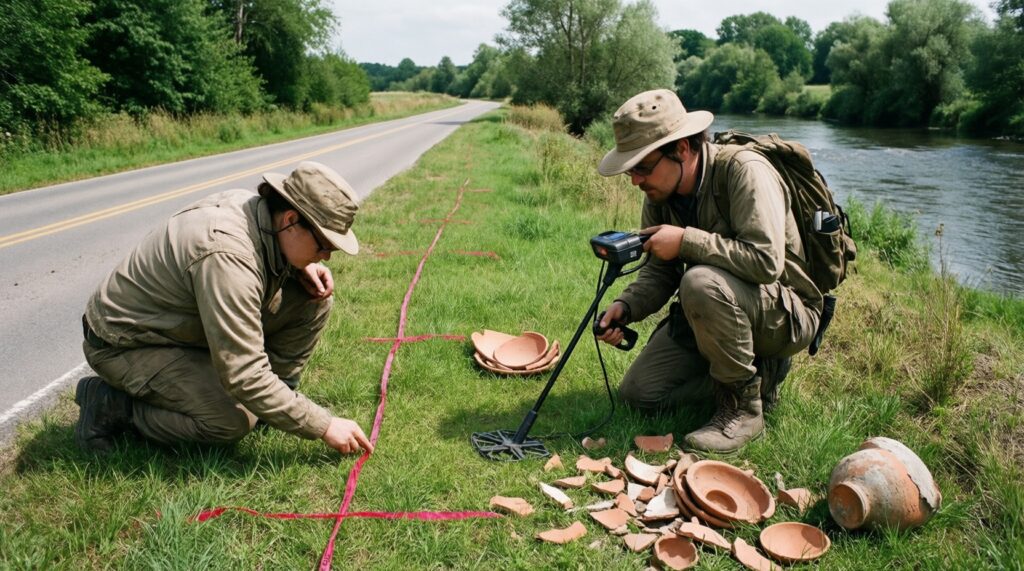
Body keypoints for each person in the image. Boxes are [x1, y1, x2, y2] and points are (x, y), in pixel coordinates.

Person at [75, 161, 373, 456]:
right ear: (290, 220)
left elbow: (261, 260)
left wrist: (297, 266)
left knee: (313, 298)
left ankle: (274, 405)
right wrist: (323, 425)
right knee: (228, 422)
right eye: (323, 246)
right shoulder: (228, 256)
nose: (326, 258)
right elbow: (244, 374)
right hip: (126, 343)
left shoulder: (259, 215)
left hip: (180, 326)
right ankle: (110, 404)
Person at [594, 89, 821, 453]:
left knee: (698, 281)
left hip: (785, 312)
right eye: (630, 170)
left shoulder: (745, 171)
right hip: (715, 306)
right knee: (639, 394)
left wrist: (686, 241)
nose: (636, 180)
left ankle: (744, 411)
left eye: (642, 167)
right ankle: (754, 378)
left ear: (682, 149)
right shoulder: (659, 194)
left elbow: (766, 262)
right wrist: (626, 307)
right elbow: (658, 274)